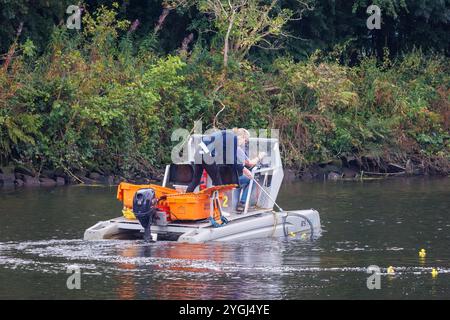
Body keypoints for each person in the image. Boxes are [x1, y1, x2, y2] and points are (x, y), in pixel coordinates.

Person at [186, 128, 252, 193]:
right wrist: (244, 170)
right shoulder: (233, 137)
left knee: (195, 181)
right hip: (207, 155)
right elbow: (231, 160)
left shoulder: (226, 134)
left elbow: (226, 157)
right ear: (242, 137)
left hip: (199, 153)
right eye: (245, 141)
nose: (244, 144)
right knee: (218, 184)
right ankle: (215, 203)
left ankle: (186, 200)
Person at [236, 148, 266, 213]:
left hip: (223, 177)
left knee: (246, 178)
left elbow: (245, 163)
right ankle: (242, 203)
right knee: (251, 180)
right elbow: (250, 163)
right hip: (232, 179)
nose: (245, 140)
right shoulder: (237, 148)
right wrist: (259, 156)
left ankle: (241, 203)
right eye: (243, 138)